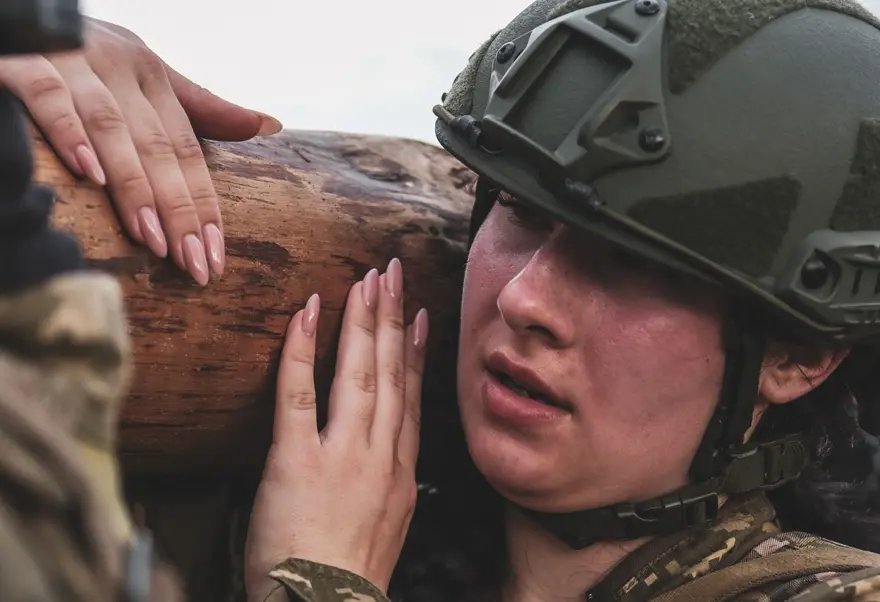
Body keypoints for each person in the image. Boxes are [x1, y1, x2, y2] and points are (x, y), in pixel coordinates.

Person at [7, 0, 880, 601]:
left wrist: (315, 583)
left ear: (798, 355)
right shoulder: (296, 503)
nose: (526, 299)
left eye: (633, 266)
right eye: (522, 214)